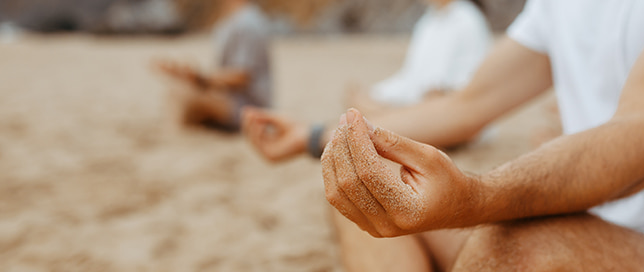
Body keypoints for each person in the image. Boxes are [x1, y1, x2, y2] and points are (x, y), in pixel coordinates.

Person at [319, 0, 644, 272]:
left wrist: (472, 197)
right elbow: (468, 103)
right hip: (595, 227)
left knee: (511, 262)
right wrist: (313, 136)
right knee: (365, 186)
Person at [243, 0, 493, 161]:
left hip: (456, 113)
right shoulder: (428, 22)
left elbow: (451, 95)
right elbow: (411, 79)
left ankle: (316, 133)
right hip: (432, 105)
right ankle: (320, 131)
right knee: (360, 101)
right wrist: (371, 94)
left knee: (372, 113)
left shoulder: (466, 19)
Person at [156, 0, 271, 132]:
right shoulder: (232, 22)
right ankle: (186, 131)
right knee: (180, 88)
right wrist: (189, 75)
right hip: (233, 99)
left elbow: (242, 76)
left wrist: (201, 78)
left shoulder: (247, 24)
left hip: (248, 106)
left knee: (184, 93)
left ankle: (178, 135)